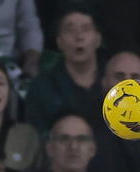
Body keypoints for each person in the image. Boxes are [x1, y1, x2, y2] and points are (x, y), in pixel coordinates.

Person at [24, 6, 104, 135]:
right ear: (59, 42)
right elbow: (37, 136)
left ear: (98, 39)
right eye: (70, 30)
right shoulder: (41, 87)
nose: (79, 37)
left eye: (85, 29)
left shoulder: (116, 79)